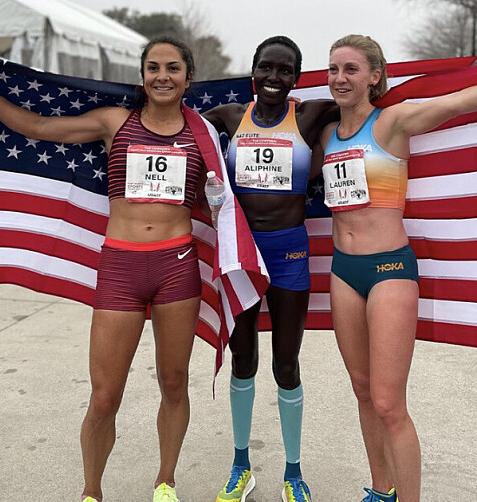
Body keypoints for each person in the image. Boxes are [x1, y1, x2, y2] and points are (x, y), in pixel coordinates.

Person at [0, 37, 229, 502]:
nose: (162, 76)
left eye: (173, 68)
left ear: (188, 77)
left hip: (177, 266)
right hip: (121, 266)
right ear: (142, 75)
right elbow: (38, 126)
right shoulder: (115, 122)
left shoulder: (203, 134)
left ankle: (166, 482)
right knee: (104, 397)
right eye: (153, 67)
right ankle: (91, 491)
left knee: (174, 383)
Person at [320, 35, 477, 502]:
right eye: (333, 69)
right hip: (343, 271)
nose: (339, 78)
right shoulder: (324, 132)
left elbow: (462, 102)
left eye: (351, 69)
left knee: (388, 403)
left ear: (375, 76)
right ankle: (382, 491)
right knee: (362, 391)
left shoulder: (393, 121)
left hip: (389, 269)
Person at [202, 36, 338, 502]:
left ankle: (293, 473)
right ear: (253, 71)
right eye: (266, 67)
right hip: (242, 252)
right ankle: (240, 466)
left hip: (289, 254)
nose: (274, 77)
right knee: (243, 360)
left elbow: (366, 101)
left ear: (296, 78)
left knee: (286, 364)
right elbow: (173, 124)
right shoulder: (228, 117)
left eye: (284, 70)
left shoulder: (310, 115)